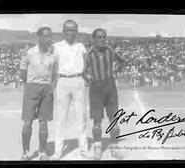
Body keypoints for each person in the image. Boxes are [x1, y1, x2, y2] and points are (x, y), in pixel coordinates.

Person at [51, 20, 89, 160]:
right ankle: (58, 151)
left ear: (77, 31)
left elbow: (86, 62)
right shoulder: (56, 47)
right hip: (62, 81)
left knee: (81, 117)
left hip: (78, 80)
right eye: (68, 30)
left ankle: (84, 149)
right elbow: (52, 64)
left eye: (73, 30)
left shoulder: (81, 46)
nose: (71, 32)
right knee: (61, 118)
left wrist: (84, 76)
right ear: (63, 31)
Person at [85, 28, 125, 160]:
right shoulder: (89, 54)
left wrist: (116, 72)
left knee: (114, 120)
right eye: (99, 37)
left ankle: (114, 148)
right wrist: (88, 79)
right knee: (97, 121)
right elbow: (83, 71)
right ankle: (98, 148)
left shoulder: (110, 51)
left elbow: (122, 61)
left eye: (104, 37)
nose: (102, 40)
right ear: (93, 39)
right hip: (96, 89)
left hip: (110, 87)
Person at [20, 27, 57, 160]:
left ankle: (42, 152)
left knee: (43, 122)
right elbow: (22, 72)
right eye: (46, 36)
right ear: (39, 38)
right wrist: (31, 85)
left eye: (50, 36)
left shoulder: (53, 53)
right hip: (31, 88)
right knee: (28, 122)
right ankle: (26, 152)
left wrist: (50, 86)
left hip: (46, 89)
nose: (49, 39)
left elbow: (55, 73)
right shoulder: (29, 53)